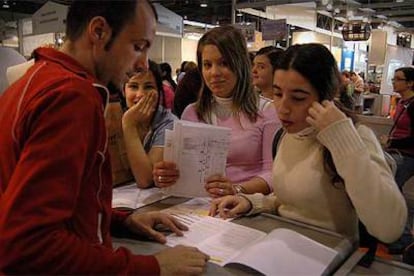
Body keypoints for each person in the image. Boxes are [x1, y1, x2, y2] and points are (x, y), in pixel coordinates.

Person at [0, 0, 208, 274]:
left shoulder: (32, 81)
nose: (142, 63)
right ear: (98, 31)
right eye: (138, 46)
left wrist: (119, 222)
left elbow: (50, 205)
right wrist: (152, 267)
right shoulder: (72, 96)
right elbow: (27, 243)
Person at [210, 43, 406, 244]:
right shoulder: (288, 135)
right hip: (283, 244)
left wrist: (342, 139)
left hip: (329, 254)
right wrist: (253, 202)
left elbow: (389, 228)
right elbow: (293, 200)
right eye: (277, 94)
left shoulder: (355, 136)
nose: (283, 108)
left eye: (297, 98)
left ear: (326, 97)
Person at [153, 25, 281, 197]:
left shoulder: (267, 112)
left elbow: (273, 174)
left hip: (247, 206)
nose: (214, 73)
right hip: (199, 206)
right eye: (207, 65)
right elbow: (184, 171)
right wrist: (167, 176)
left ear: (240, 64)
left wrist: (237, 189)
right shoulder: (192, 113)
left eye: (224, 63)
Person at [122, 60, 177, 188]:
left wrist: (129, 125)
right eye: (133, 86)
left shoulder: (169, 123)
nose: (140, 95)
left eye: (148, 87)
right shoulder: (114, 116)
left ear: (159, 92)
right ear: (124, 90)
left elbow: (146, 179)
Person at [385, 67, 414, 255]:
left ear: (410, 83)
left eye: (398, 79)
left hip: (408, 155)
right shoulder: (403, 103)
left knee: (391, 189)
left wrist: (392, 141)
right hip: (399, 153)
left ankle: (403, 238)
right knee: (392, 189)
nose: (394, 82)